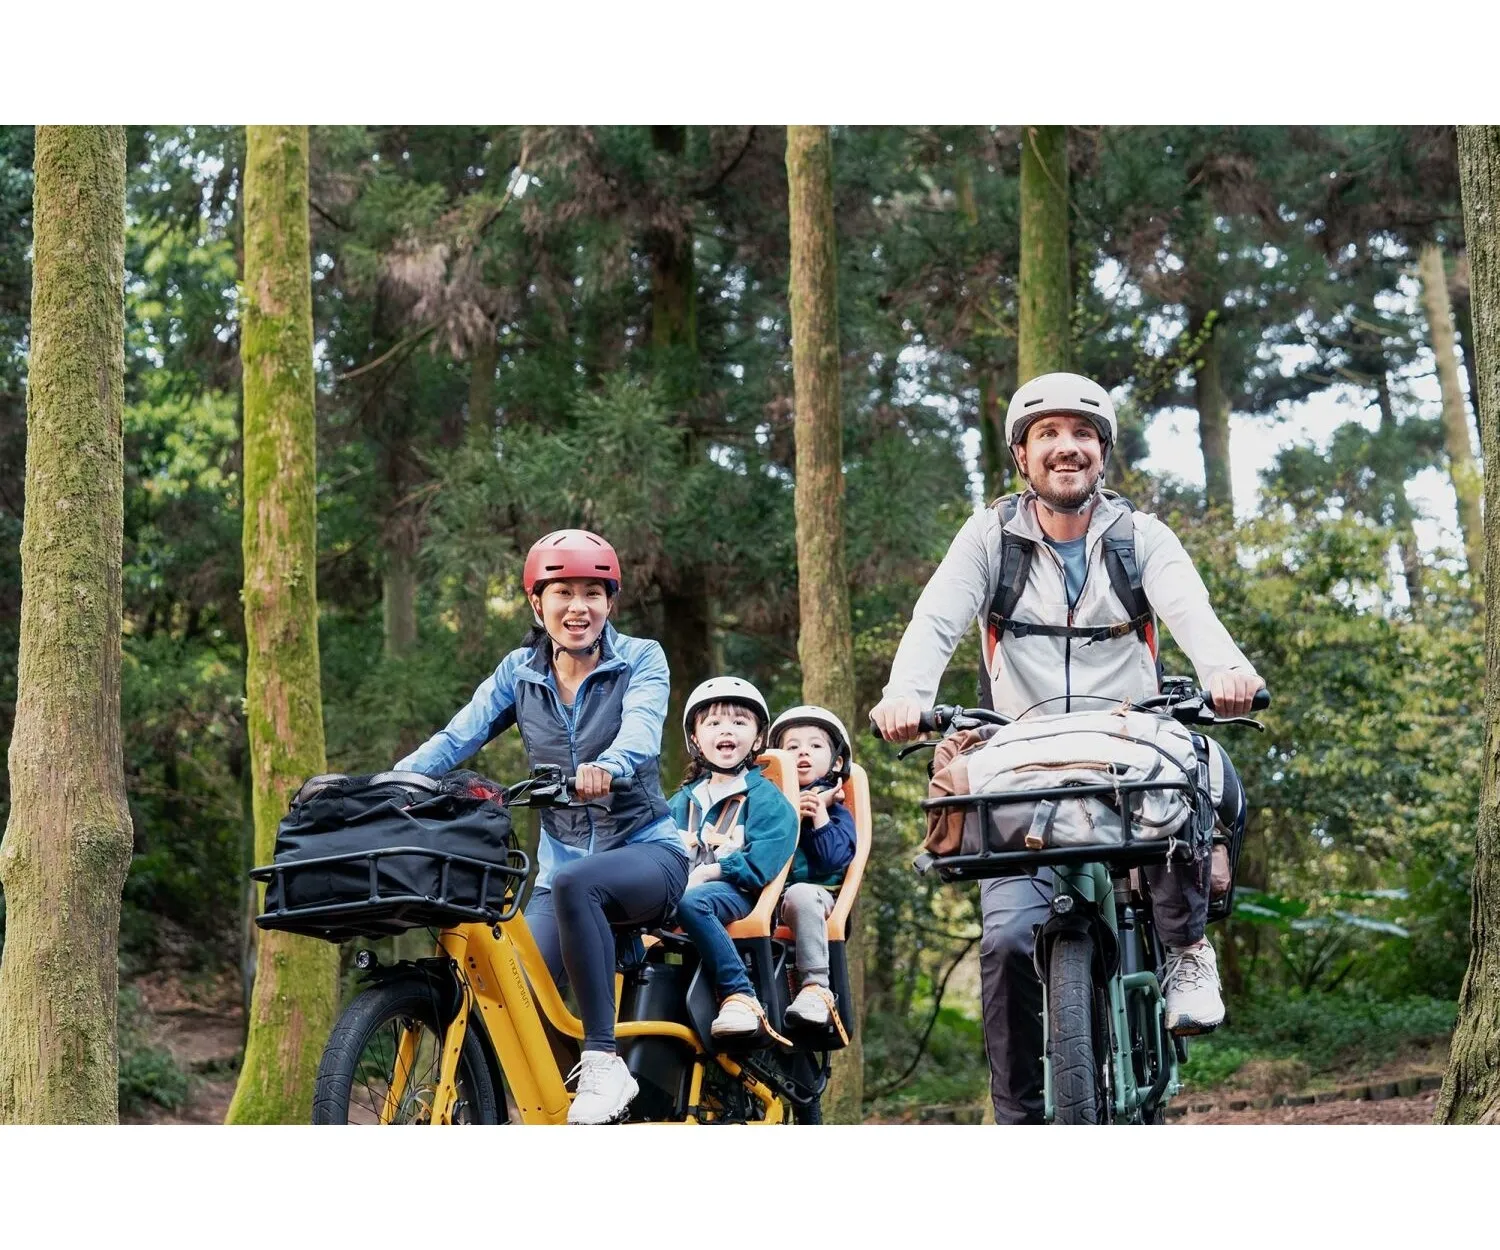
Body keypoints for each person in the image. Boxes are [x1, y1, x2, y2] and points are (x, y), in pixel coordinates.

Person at [869, 371, 1264, 1124]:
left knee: (1189, 776)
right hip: (1024, 752)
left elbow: (1190, 610)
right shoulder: (990, 537)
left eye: (1082, 434)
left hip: (1128, 734)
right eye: (1047, 434)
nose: (1066, 447)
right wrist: (907, 692)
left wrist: (1227, 673)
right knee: (1010, 940)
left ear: (1103, 454)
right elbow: (936, 619)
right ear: (1022, 455)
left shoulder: (1140, 538)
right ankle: (1020, 1123)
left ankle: (1186, 954)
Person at [394, 528, 685, 1125]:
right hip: (562, 867)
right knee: (514, 994)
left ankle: (603, 1064)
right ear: (537, 603)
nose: (578, 607)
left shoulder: (641, 659)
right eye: (563, 592)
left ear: (611, 602)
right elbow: (458, 737)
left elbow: (642, 727)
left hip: (648, 853)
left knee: (584, 885)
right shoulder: (518, 673)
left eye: (593, 593)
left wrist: (608, 766)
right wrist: (396, 782)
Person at [669, 677, 799, 1043]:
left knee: (692, 902)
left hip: (737, 894)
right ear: (695, 738)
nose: (726, 730)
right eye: (713, 723)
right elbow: (654, 844)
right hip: (679, 891)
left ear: (758, 739)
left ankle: (739, 995)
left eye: (739, 723)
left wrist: (713, 870)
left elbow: (763, 861)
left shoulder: (767, 799)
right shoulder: (682, 801)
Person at [767, 705, 859, 1036]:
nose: (803, 751)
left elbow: (834, 860)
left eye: (815, 745)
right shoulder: (769, 808)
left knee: (801, 893)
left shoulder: (837, 814)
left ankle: (816, 988)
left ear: (836, 762)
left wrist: (819, 814)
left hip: (818, 900)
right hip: (768, 903)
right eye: (792, 747)